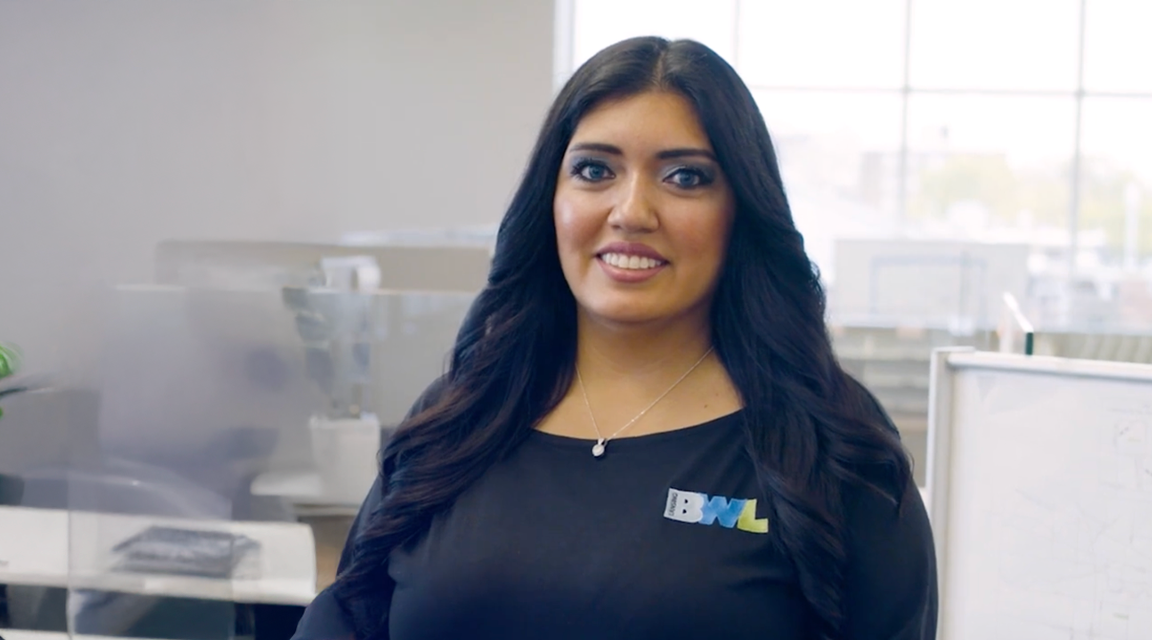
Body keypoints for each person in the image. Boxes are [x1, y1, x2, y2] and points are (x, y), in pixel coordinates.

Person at [292, 36, 936, 640]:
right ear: (550, 198)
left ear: (742, 209)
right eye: (595, 170)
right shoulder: (460, 418)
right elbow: (347, 615)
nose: (630, 211)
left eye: (685, 177)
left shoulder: (826, 446)